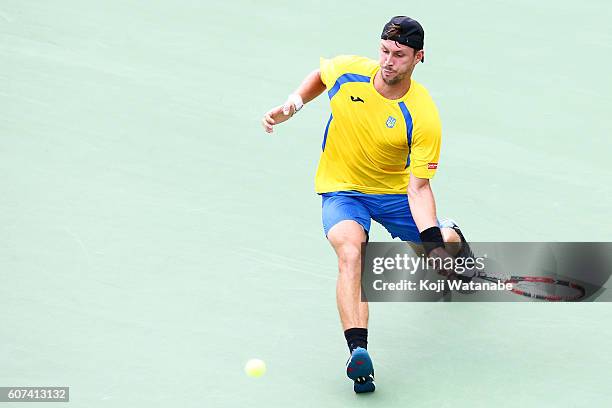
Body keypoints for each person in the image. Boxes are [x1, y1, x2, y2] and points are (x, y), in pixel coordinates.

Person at [261, 16, 473, 394]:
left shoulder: (423, 114)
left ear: (418, 57)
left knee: (438, 246)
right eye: (385, 51)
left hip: (395, 193)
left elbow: (419, 188)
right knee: (350, 251)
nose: (389, 61)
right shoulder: (349, 72)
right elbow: (321, 76)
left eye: (400, 55)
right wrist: (291, 105)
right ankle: (358, 352)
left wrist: (432, 244)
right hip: (342, 189)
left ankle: (454, 243)